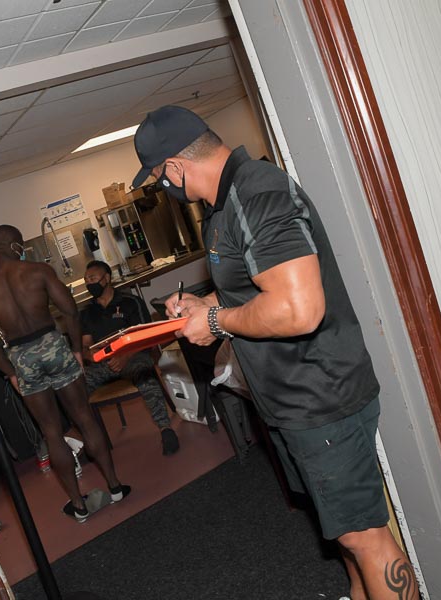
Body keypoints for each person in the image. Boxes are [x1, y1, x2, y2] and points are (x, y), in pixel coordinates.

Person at [132, 106, 417, 600]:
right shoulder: (222, 208)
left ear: (175, 166)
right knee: (340, 531)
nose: (165, 188)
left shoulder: (258, 193)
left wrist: (215, 323)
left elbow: (299, 310)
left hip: (319, 395)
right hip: (287, 399)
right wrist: (205, 304)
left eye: (160, 179)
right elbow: (253, 290)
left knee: (364, 535)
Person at [0, 225, 130, 522]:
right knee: (83, 417)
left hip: (22, 357)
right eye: (21, 245)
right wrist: (76, 350)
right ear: (16, 246)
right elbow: (69, 311)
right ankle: (115, 487)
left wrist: (11, 373)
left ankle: (78, 506)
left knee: (51, 432)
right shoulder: (38, 271)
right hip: (53, 345)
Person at [80, 260, 180, 455]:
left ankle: (166, 429)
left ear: (106, 278)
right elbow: (85, 345)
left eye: (92, 278)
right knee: (76, 387)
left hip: (133, 356)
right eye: (86, 281)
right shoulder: (86, 312)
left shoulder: (130, 302)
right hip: (103, 363)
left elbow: (147, 337)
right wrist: (89, 354)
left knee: (145, 375)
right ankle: (91, 442)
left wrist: (125, 356)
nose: (89, 283)